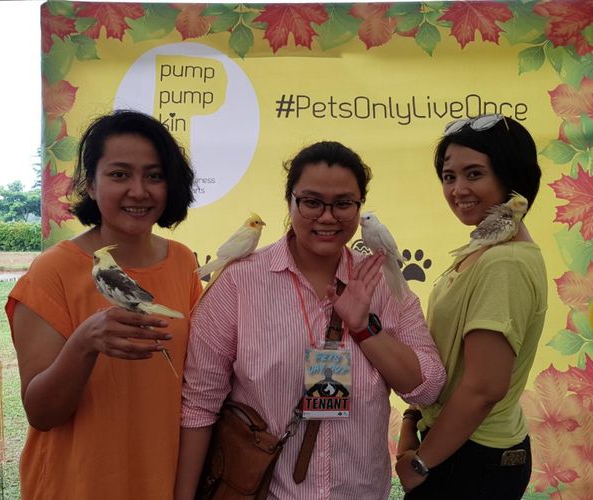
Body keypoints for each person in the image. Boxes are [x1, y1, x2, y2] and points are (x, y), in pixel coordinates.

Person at [175, 141, 446, 499]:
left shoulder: (384, 284)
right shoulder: (240, 283)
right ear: (290, 202)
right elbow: (199, 405)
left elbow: (428, 388)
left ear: (360, 207)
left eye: (343, 204)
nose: (328, 217)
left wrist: (365, 329)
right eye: (312, 202)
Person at [6, 110, 201, 500]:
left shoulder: (182, 262)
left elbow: (196, 384)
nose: (139, 191)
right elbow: (41, 413)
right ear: (91, 186)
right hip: (75, 485)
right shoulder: (53, 271)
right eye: (119, 174)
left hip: (157, 482)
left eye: (154, 176)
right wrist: (84, 342)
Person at [395, 114, 548, 499]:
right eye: (449, 176)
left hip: (474, 457)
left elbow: (483, 387)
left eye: (474, 174)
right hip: (459, 443)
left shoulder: (504, 262)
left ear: (511, 177)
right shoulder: (485, 249)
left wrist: (421, 463)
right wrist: (414, 417)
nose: (458, 189)